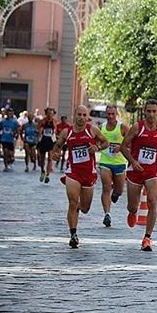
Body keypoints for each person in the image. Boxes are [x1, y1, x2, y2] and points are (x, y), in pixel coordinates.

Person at [120, 99, 157, 251]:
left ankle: (147, 238)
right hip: (135, 171)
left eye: (154, 111)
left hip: (152, 172)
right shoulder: (137, 127)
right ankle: (132, 212)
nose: (151, 114)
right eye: (149, 111)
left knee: (153, 201)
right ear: (144, 112)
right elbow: (123, 147)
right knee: (133, 206)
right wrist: (133, 161)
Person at [52, 105, 109, 249]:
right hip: (73, 172)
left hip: (88, 173)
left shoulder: (92, 130)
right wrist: (55, 153)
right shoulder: (67, 132)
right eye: (79, 115)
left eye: (84, 115)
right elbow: (57, 145)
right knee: (72, 202)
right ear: (74, 115)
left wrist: (97, 148)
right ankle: (73, 234)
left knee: (84, 208)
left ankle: (78, 207)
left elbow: (105, 142)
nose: (82, 118)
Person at [98, 105, 129, 227]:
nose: (110, 116)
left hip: (119, 163)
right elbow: (96, 142)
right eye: (108, 114)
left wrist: (121, 147)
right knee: (106, 187)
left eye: (113, 114)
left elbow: (132, 143)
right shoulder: (101, 128)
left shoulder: (122, 127)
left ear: (116, 114)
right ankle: (107, 214)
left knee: (119, 190)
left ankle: (115, 194)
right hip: (105, 162)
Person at [37, 108, 57, 183]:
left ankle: (48, 174)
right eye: (48, 113)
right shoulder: (42, 121)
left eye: (51, 113)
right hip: (43, 140)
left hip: (51, 140)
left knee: (50, 158)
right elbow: (38, 130)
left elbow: (55, 129)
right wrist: (40, 131)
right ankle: (42, 171)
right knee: (42, 158)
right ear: (46, 113)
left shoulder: (54, 121)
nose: (50, 115)